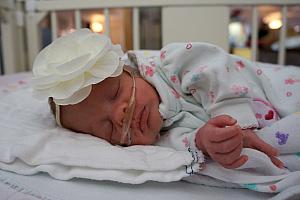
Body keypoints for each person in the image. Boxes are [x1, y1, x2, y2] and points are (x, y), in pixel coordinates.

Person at [32, 29, 300, 170]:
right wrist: (204, 140)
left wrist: (237, 120)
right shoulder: (163, 136)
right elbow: (185, 143)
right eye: (107, 127)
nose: (119, 115)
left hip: (276, 90)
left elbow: (213, 68)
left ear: (132, 71)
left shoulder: (172, 64)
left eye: (115, 94)